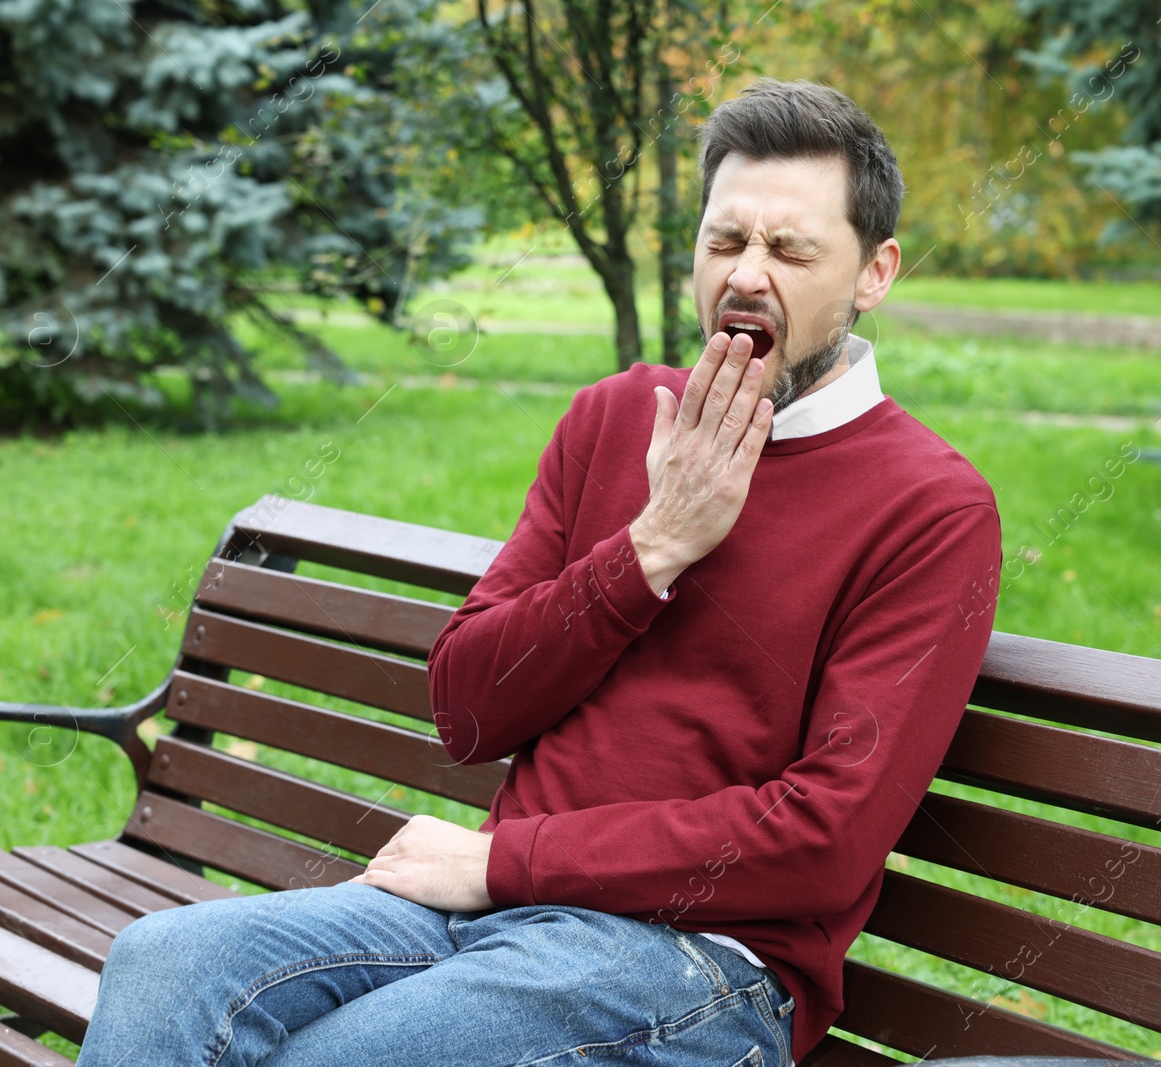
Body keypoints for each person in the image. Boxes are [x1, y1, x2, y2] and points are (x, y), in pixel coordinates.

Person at [78, 77, 1001, 1067]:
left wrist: (502, 859)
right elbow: (467, 709)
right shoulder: (612, 418)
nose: (745, 274)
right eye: (724, 240)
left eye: (790, 249)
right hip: (488, 910)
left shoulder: (930, 508)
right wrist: (651, 550)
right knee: (164, 956)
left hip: (697, 964)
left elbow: (825, 839)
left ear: (874, 272)